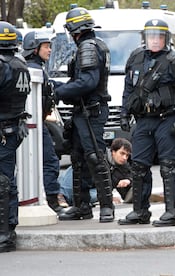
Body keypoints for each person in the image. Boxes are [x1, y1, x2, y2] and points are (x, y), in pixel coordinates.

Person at [118, 19, 175, 227]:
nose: (154, 40)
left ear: (165, 38)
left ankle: (173, 212)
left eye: (159, 36)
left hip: (167, 118)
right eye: (151, 36)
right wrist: (124, 113)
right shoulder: (135, 57)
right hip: (144, 119)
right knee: (139, 166)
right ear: (145, 38)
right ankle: (140, 211)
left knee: (169, 165)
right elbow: (129, 89)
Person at [52, 7, 114, 223]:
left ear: (75, 29)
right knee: (78, 158)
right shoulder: (93, 45)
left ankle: (107, 206)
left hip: (91, 111)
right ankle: (82, 206)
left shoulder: (88, 47)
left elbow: (87, 82)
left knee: (95, 157)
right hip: (83, 110)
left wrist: (58, 91)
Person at [22, 30, 65, 213]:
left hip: (35, 123)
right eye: (46, 46)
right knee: (49, 161)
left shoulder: (36, 68)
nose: (49, 50)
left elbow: (51, 86)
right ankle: (52, 201)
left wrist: (70, 87)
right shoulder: (34, 70)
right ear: (34, 48)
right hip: (34, 125)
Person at [0, 21, 31, 253]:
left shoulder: (2, 65)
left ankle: (4, 234)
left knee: (3, 181)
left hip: (3, 128)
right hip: (13, 127)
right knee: (7, 180)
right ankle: (8, 229)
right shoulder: (20, 63)